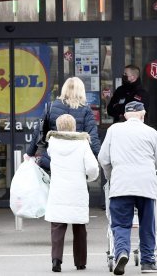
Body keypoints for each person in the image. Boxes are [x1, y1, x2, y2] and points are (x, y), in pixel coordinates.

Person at [98, 101, 157, 275]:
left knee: (121, 223)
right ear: (142, 115)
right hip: (145, 184)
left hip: (121, 184)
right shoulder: (151, 132)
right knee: (146, 224)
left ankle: (121, 251)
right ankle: (147, 262)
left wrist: (110, 175)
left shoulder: (114, 130)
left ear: (125, 115)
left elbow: (103, 158)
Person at [44, 114, 99, 272]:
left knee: (57, 226)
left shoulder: (52, 143)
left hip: (58, 189)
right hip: (77, 189)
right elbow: (92, 167)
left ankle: (56, 260)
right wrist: (90, 178)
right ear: (74, 126)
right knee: (79, 227)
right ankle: (80, 262)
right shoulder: (82, 143)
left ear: (58, 127)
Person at [25, 76, 101, 171]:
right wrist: (98, 157)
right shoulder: (86, 110)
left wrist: (30, 153)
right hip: (76, 161)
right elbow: (92, 136)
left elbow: (38, 132)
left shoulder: (50, 107)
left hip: (52, 159)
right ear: (81, 91)